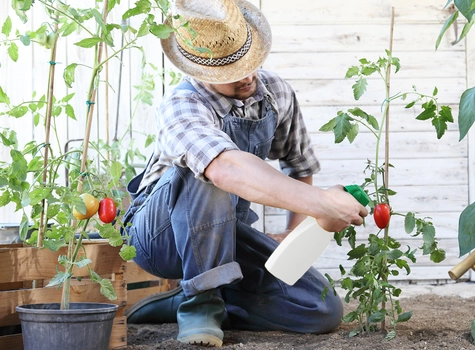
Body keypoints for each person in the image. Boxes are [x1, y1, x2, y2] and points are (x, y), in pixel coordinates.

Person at [122, 0, 368, 347]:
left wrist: (294, 232)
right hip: (158, 240)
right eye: (232, 72)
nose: (247, 75)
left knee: (320, 308)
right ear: (201, 72)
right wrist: (322, 204)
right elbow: (225, 168)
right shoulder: (181, 105)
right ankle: (200, 305)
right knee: (206, 169)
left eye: (248, 62)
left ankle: (191, 299)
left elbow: (299, 166)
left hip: (225, 234)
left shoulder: (275, 93)